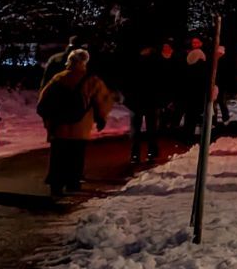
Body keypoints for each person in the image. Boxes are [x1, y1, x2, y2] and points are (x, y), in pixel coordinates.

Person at [38, 49, 112, 196]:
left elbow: (43, 101)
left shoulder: (58, 78)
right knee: (76, 155)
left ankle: (56, 183)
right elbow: (102, 100)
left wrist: (48, 120)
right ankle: (73, 182)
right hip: (81, 127)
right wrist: (101, 118)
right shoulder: (92, 80)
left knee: (58, 155)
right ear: (84, 62)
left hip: (59, 126)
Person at [123, 43, 166, 164]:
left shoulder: (135, 64)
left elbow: (127, 82)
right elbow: (162, 84)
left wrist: (127, 99)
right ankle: (151, 152)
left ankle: (135, 154)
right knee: (151, 128)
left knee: (136, 129)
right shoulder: (158, 65)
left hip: (137, 101)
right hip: (151, 101)